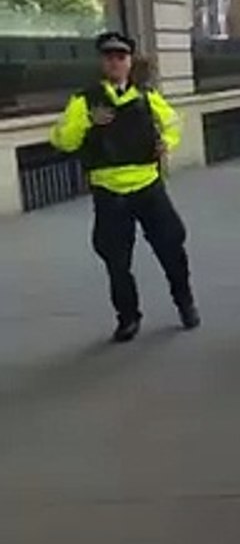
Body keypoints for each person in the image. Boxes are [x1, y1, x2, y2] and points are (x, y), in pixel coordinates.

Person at [50, 32, 199, 342]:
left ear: (130, 62)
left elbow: (173, 123)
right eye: (109, 57)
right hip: (109, 192)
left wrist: (165, 144)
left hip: (148, 186)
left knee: (172, 247)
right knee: (116, 260)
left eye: (121, 57)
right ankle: (128, 318)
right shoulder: (84, 100)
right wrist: (88, 122)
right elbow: (62, 140)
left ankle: (185, 303)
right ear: (102, 62)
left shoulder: (145, 96)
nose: (115, 62)